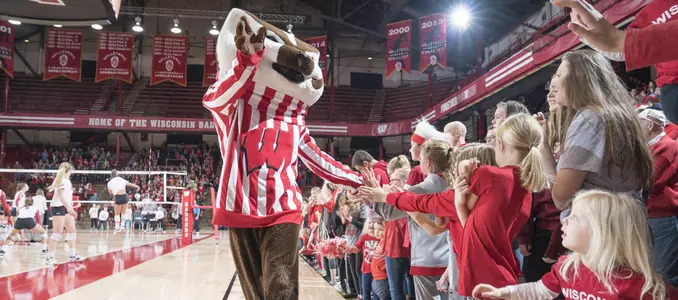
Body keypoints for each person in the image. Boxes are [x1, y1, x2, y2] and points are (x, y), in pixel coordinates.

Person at [360, 113, 547, 297]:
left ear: (500, 144)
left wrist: (386, 197)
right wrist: (459, 207)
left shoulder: (489, 177)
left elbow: (428, 203)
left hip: (483, 281)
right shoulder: (524, 187)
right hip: (501, 278)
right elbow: (478, 235)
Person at [472, 191, 678, 299]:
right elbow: (539, 291)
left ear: (602, 232)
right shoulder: (566, 266)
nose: (564, 220)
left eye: (575, 217)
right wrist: (504, 293)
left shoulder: (640, 287)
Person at [638, 108, 678, 287]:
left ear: (650, 123)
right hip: (650, 214)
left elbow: (650, 182)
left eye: (639, 122)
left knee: (663, 271)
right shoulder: (652, 145)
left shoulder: (668, 145)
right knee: (652, 268)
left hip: (663, 216)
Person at [45, 162, 83, 265]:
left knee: (72, 231)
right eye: (71, 171)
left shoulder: (66, 180)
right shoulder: (62, 180)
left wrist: (68, 208)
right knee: (57, 233)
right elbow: (61, 196)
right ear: (69, 170)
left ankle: (72, 254)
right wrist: (69, 208)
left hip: (65, 207)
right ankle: (50, 257)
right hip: (58, 206)